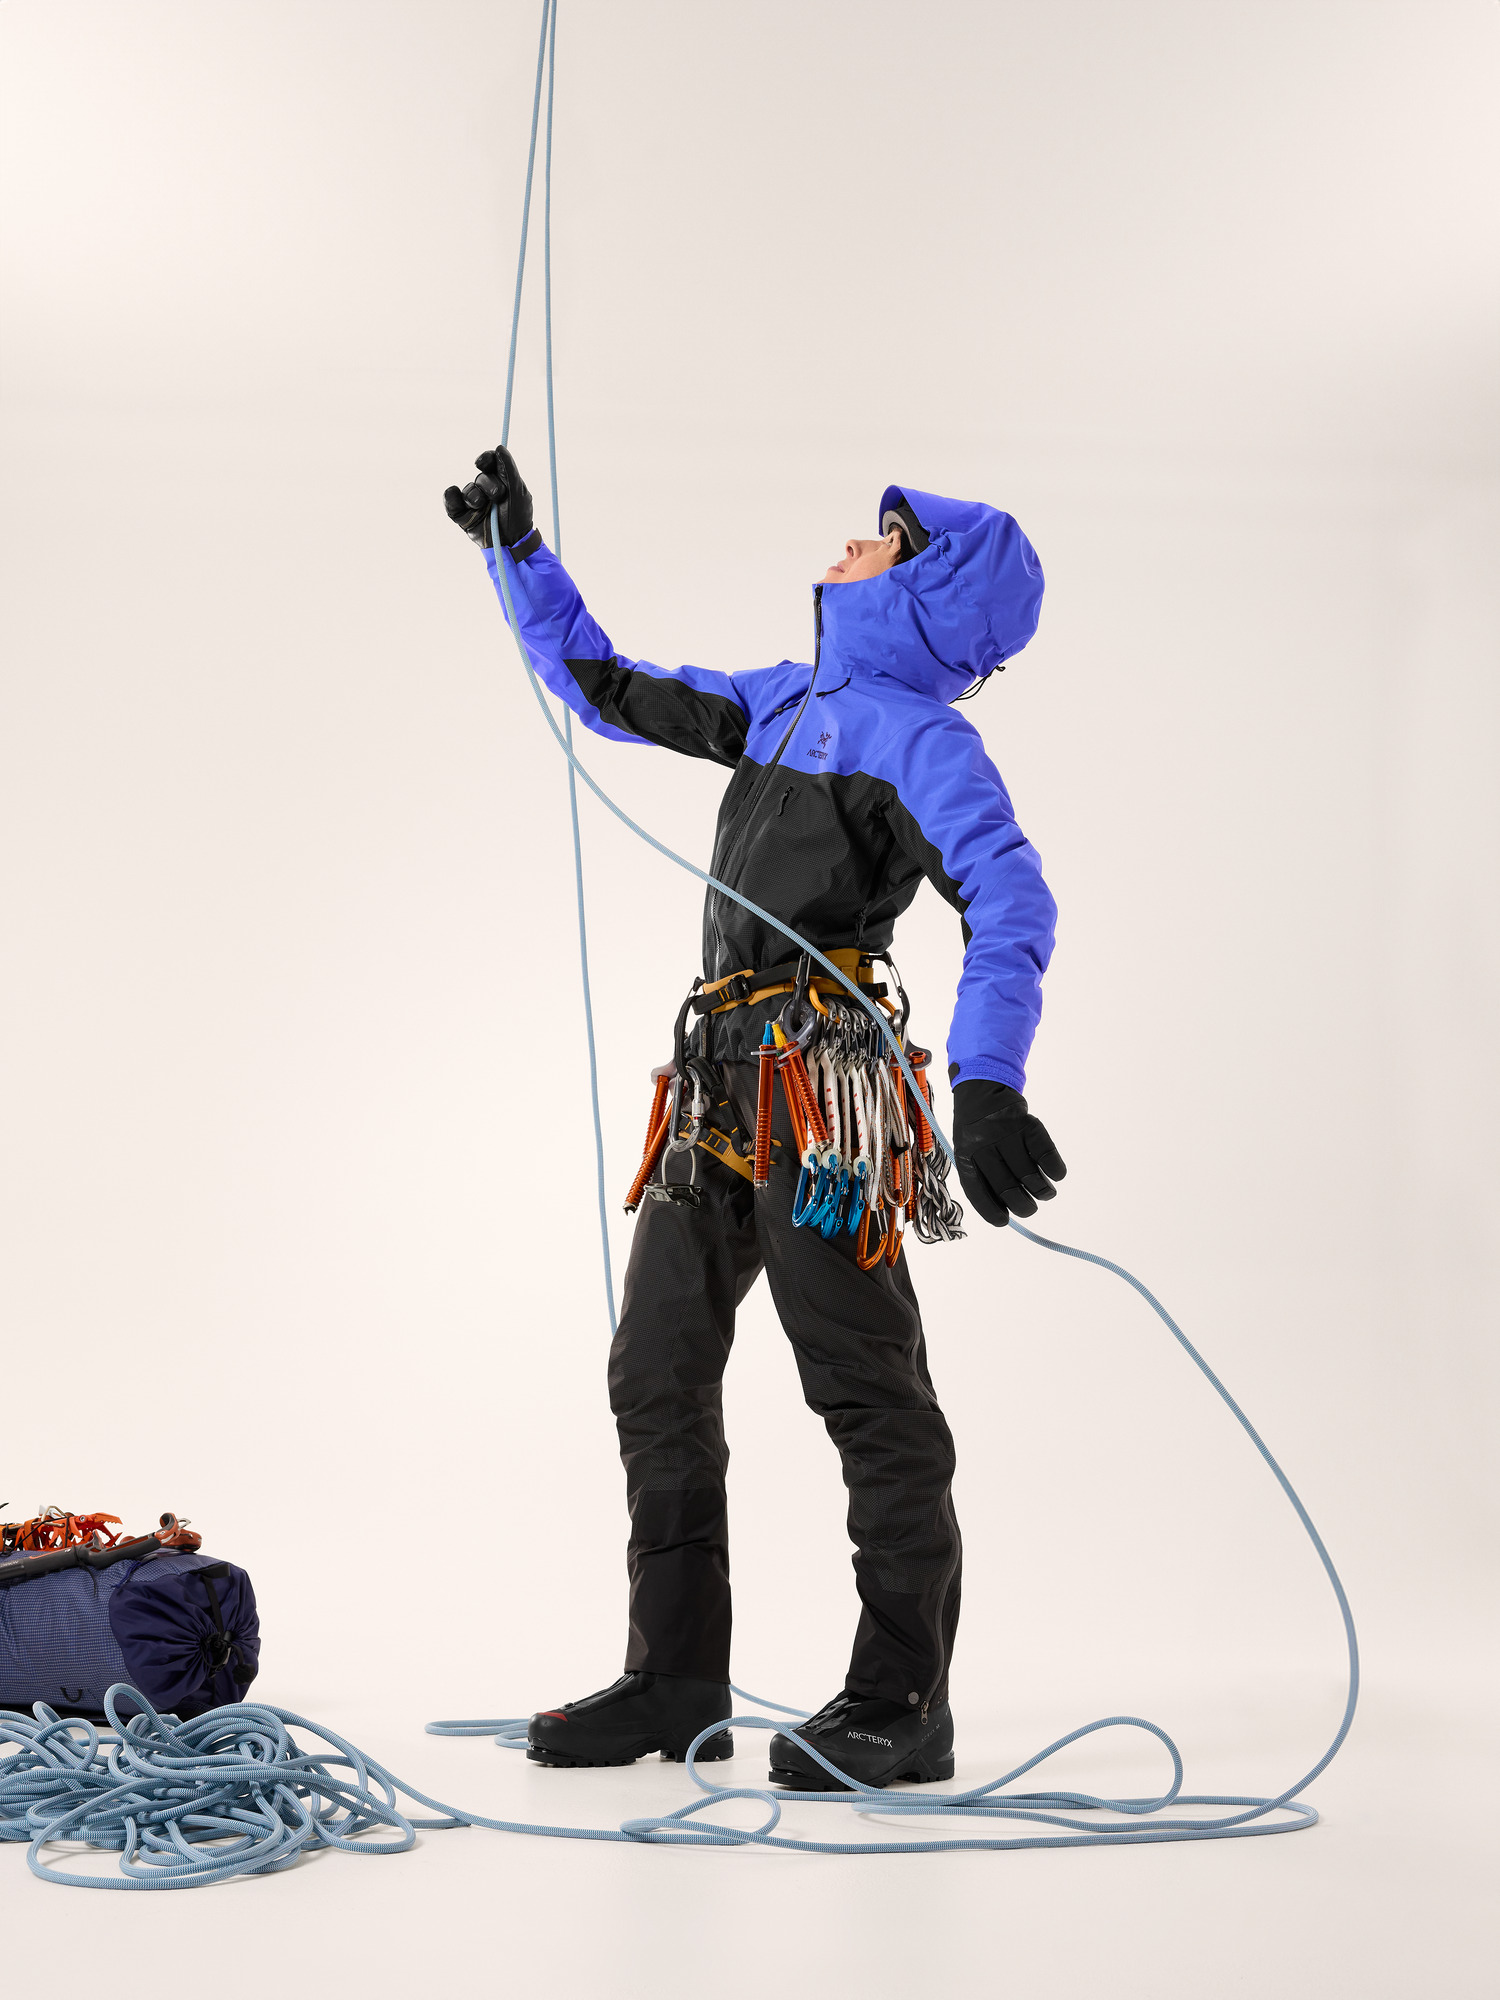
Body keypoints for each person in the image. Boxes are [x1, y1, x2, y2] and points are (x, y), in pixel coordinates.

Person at [444, 449, 1066, 1790]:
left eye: (884, 538)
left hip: (819, 1090)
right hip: (713, 1080)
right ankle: (676, 1681)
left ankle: (904, 1702)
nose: (853, 543)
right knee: (654, 1368)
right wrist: (517, 552)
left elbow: (1011, 898)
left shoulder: (924, 742)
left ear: (931, 587)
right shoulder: (783, 699)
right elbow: (605, 689)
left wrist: (987, 1080)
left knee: (863, 1381)